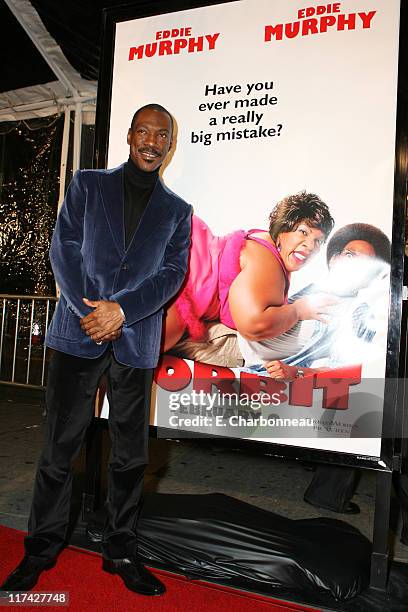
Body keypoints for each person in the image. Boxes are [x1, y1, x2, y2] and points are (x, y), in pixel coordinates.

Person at [0, 104, 192, 595]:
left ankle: (120, 550)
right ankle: (39, 551)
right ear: (129, 137)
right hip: (78, 332)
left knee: (129, 456)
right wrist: (93, 310)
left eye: (161, 135)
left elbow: (173, 275)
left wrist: (122, 311)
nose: (151, 141)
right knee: (58, 450)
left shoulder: (178, 212)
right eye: (143, 131)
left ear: (170, 144)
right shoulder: (88, 184)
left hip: (136, 340)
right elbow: (62, 245)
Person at [240, 223, 391, 514]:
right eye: (349, 255)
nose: (356, 265)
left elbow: (343, 370)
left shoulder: (359, 313)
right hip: (260, 366)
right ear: (334, 259)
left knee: (362, 392)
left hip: (304, 379)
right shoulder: (302, 294)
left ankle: (328, 490)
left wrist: (295, 373)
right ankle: (326, 487)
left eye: (366, 262)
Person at [163, 192, 335, 352]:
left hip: (183, 248)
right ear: (283, 229)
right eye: (303, 232)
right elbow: (253, 325)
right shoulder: (267, 261)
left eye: (318, 241)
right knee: (143, 350)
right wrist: (298, 310)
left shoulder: (271, 254)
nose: (310, 246)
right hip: (184, 270)